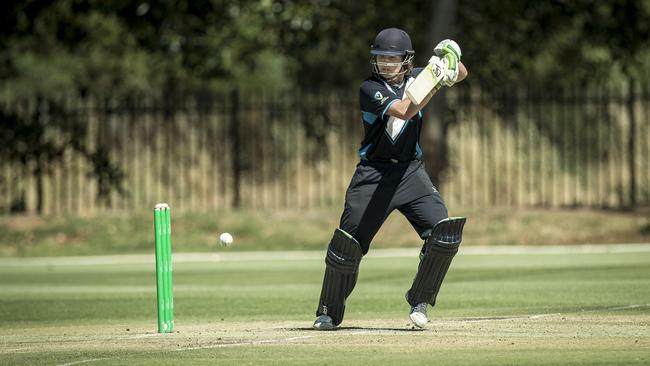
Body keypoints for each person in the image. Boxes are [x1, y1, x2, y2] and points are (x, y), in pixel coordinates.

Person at [312, 27, 468, 330]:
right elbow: (402, 112)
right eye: (379, 57)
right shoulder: (370, 88)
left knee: (444, 232)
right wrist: (435, 83)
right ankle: (329, 311)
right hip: (373, 175)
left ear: (406, 60)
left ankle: (420, 301)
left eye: (391, 58)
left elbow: (461, 72)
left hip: (411, 173)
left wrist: (449, 59)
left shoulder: (421, 76)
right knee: (347, 245)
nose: (384, 63)